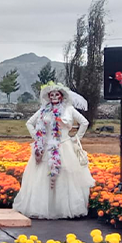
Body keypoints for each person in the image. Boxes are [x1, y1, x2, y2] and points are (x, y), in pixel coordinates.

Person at [12, 82, 95, 219]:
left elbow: (84, 122)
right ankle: (45, 208)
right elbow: (29, 123)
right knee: (42, 177)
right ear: (49, 97)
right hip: (45, 147)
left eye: (57, 94)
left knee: (64, 177)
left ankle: (61, 208)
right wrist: (38, 138)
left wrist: (76, 138)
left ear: (62, 96)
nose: (54, 97)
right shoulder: (44, 110)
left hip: (63, 145)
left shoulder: (69, 109)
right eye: (52, 95)